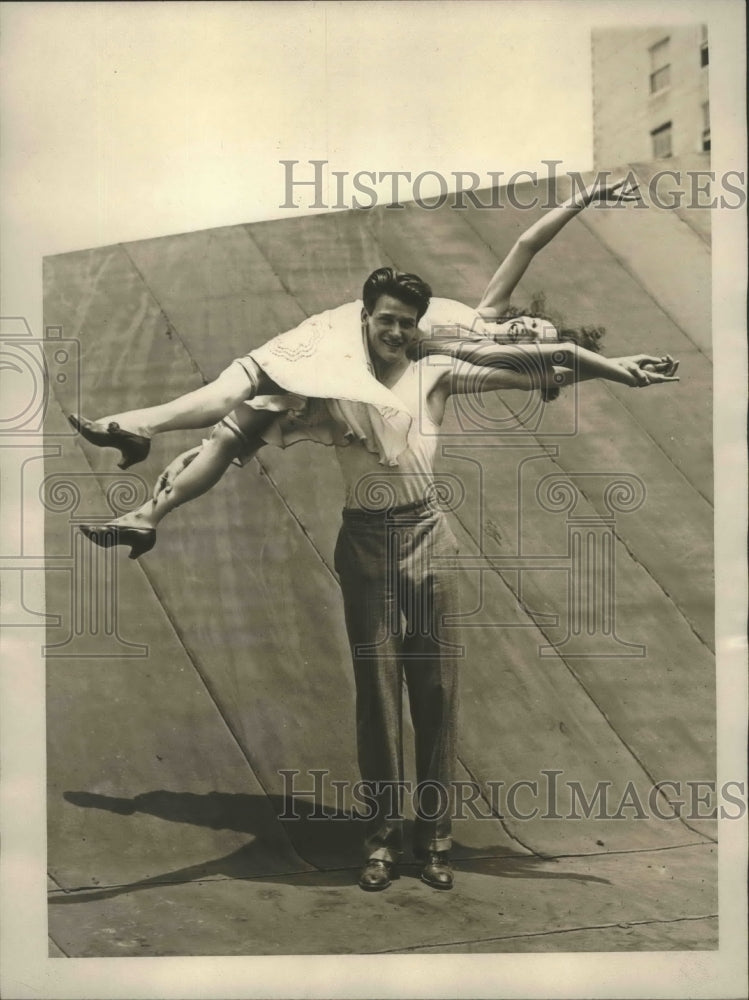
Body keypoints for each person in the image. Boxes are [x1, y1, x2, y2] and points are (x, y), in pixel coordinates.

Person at [76, 177, 677, 559]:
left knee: (244, 394)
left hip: (353, 385)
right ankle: (148, 511)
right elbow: (526, 245)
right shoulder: (485, 314)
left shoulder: (485, 357)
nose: (528, 335)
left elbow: (562, 363)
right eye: (532, 326)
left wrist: (611, 367)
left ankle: (140, 431)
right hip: (341, 362)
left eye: (535, 344)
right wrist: (584, 198)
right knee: (232, 431)